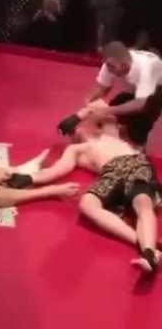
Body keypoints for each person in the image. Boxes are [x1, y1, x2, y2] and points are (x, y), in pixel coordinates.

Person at [42, 111, 161, 273]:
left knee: (142, 201)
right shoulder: (76, 149)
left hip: (134, 163)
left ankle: (148, 251)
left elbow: (103, 110)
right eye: (74, 130)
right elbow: (57, 170)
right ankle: (146, 247)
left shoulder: (108, 133)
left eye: (79, 125)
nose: (76, 130)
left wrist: (80, 115)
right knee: (87, 204)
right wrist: (29, 178)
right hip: (110, 172)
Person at [84, 41, 162, 147]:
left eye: (112, 67)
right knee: (111, 112)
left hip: (156, 90)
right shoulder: (110, 63)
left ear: (125, 65)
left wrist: (106, 110)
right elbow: (102, 88)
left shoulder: (146, 68)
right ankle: (120, 134)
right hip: (134, 90)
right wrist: (88, 104)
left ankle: (137, 144)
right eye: (108, 66)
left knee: (139, 125)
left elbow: (140, 105)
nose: (109, 70)